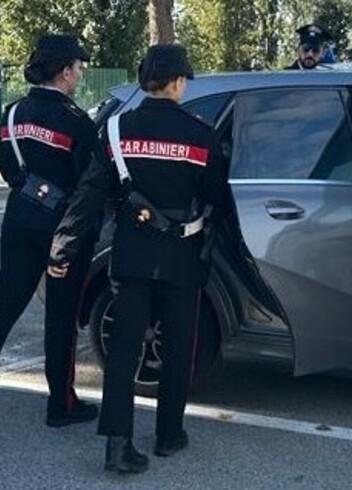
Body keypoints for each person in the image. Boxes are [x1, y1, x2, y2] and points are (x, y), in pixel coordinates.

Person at [47, 44, 232, 474]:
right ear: (179, 81)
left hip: (130, 255)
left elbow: (90, 194)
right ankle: (169, 435)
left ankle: (117, 445)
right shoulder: (200, 135)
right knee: (178, 345)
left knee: (124, 351)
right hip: (182, 256)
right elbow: (217, 198)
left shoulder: (114, 130)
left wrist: (65, 244)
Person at [0, 34, 100, 430]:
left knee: (4, 307)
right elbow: (89, 184)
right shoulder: (76, 121)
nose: (79, 74)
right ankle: (61, 405)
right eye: (77, 67)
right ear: (64, 71)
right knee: (61, 318)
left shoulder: (12, 114)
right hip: (61, 230)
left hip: (19, 221)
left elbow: (10, 172)